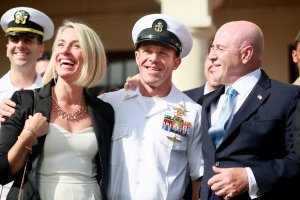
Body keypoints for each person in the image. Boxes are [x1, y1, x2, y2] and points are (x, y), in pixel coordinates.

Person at [0, 19, 114, 200]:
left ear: (92, 55)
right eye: (61, 44)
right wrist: (28, 134)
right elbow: (2, 172)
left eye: (76, 45)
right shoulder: (25, 101)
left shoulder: (104, 111)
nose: (65, 51)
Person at [100, 13, 203, 199]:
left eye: (163, 53)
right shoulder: (110, 103)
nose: (154, 59)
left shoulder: (192, 112)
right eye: (147, 51)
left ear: (176, 62)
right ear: (137, 57)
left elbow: (198, 178)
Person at [200, 20, 300, 200]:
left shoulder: (289, 97)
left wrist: (251, 178)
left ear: (246, 54)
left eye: (220, 49)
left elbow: (297, 161)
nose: (212, 56)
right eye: (212, 48)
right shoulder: (205, 101)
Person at [0, 6, 54, 200]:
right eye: (14, 39)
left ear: (40, 49)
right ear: (7, 48)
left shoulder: (53, 96)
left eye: (28, 39)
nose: (20, 45)